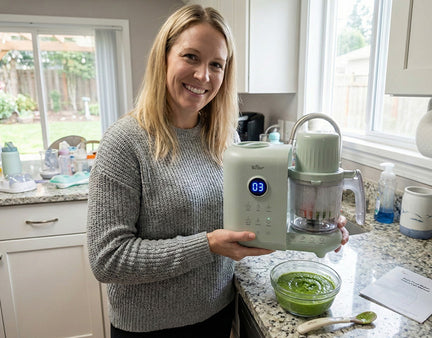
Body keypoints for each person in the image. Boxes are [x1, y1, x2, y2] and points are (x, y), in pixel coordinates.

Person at [87, 4, 349, 338]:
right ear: (164, 57)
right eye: (191, 57)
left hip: (218, 312)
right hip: (149, 327)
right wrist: (208, 245)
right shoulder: (125, 142)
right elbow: (107, 259)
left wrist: (315, 228)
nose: (203, 76)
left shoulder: (226, 140)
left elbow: (253, 220)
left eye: (216, 64)